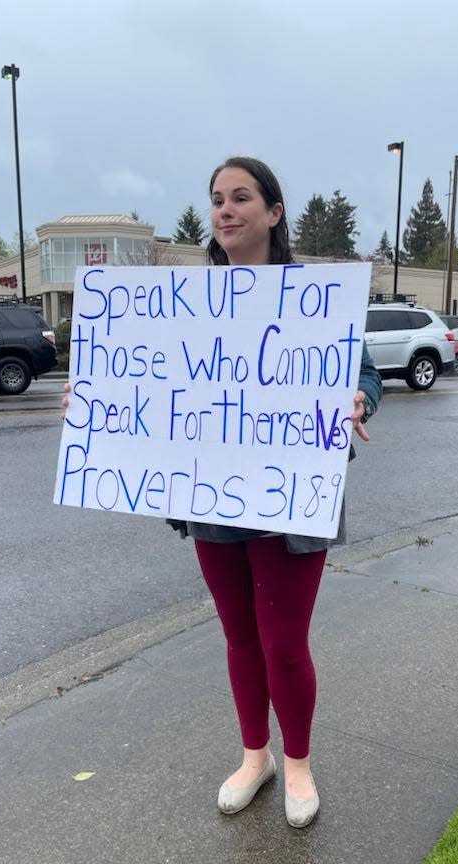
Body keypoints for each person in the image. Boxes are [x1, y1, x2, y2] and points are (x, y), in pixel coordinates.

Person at [62, 156, 382, 828]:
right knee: (239, 637)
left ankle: (297, 763)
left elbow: (364, 374)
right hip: (212, 499)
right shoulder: (187, 301)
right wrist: (96, 397)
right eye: (216, 200)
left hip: (291, 497)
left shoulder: (313, 297)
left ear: (273, 212)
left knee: (284, 643)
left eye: (241, 198)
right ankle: (254, 755)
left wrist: (359, 399)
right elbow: (143, 379)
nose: (226, 210)